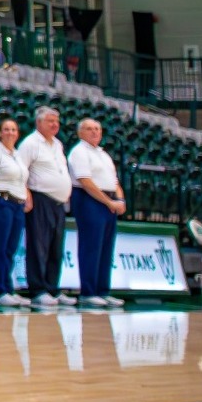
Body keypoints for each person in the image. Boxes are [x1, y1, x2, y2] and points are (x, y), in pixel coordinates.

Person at [18, 106, 73, 309]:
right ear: (39, 122)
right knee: (38, 245)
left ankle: (52, 288)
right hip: (40, 199)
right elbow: (21, 170)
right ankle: (38, 289)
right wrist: (26, 194)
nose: (54, 124)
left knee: (55, 248)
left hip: (58, 203)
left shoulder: (57, 144)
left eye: (56, 121)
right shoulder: (31, 143)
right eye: (50, 121)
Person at [67, 118, 125, 309]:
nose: (94, 132)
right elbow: (85, 181)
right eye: (89, 129)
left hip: (108, 201)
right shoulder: (79, 152)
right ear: (80, 132)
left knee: (106, 248)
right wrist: (108, 201)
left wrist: (120, 200)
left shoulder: (103, 154)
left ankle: (103, 290)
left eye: (97, 129)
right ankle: (88, 292)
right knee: (91, 246)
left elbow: (114, 181)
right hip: (89, 200)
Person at [0, 118, 30, 306]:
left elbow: (22, 179)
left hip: (18, 204)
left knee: (11, 248)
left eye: (14, 129)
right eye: (6, 129)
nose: (10, 133)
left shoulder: (17, 155)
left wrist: (26, 196)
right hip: (1, 201)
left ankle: (8, 287)